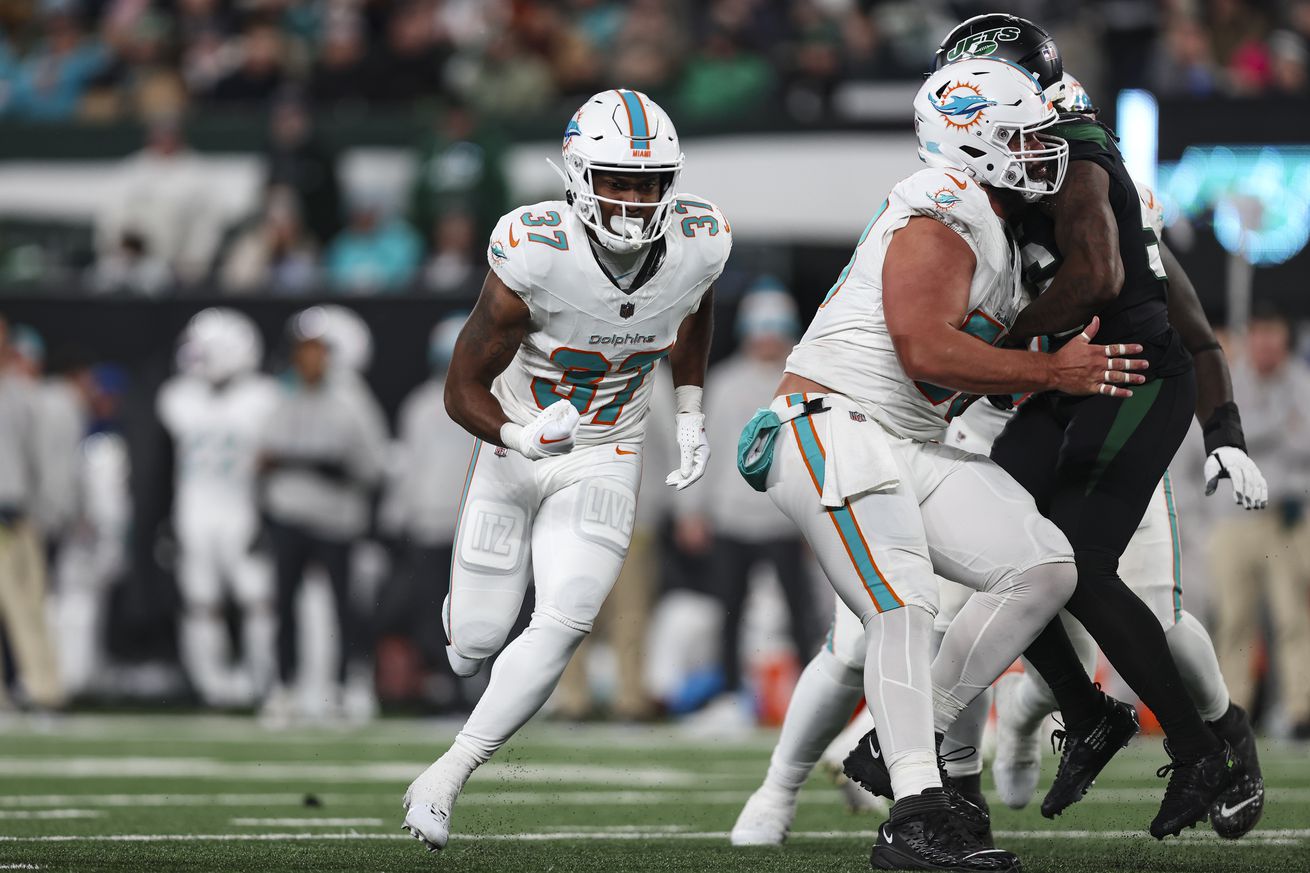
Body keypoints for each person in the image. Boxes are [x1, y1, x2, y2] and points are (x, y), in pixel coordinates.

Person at [733, 59, 1138, 872]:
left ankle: (900, 753)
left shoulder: (1003, 230)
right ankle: (915, 813)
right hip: (830, 420)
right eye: (1020, 138)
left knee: (1041, 567)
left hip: (907, 437)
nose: (1039, 152)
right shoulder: (943, 201)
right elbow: (923, 346)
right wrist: (1049, 371)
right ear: (968, 139)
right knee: (904, 605)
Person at [928, 16, 1247, 839]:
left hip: (1128, 377)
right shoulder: (1020, 163)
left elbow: (1120, 288)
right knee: (1008, 549)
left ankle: (1212, 743)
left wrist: (1227, 432)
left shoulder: (1072, 154)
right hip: (1065, 388)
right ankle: (1079, 711)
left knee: (1108, 582)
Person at [402, 88, 729, 853]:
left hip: (608, 451)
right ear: (579, 174)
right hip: (514, 451)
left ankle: (448, 772)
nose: (634, 199)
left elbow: (693, 311)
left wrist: (689, 412)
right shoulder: (533, 247)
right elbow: (460, 389)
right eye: (617, 179)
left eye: (649, 183)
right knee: (474, 643)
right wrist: (518, 433)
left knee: (568, 614)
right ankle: (471, 634)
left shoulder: (701, 240)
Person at [675, 280, 820, 728]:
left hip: (785, 518)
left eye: (776, 327)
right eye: (761, 327)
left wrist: (818, 518)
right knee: (730, 612)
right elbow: (704, 445)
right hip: (731, 517)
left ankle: (811, 700)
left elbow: (816, 451)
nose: (768, 337)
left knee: (802, 613)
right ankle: (731, 699)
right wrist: (691, 510)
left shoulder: (804, 381)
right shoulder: (723, 382)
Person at [258, 308, 388, 724]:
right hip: (289, 515)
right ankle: (283, 687)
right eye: (303, 351)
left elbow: (372, 468)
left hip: (336, 519)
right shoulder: (282, 398)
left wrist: (311, 464)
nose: (309, 359)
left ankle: (352, 685)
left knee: (345, 608)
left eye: (316, 351)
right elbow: (262, 458)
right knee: (283, 607)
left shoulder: (350, 403)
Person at [158, 309, 279, 707]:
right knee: (200, 602)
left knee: (257, 598)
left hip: (242, 511)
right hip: (193, 513)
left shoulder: (263, 397)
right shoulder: (178, 397)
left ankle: (263, 682)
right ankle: (212, 687)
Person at [1208, 306, 1310, 740]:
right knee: (1234, 620)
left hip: (1285, 518)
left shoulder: (1301, 382)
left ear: (1286, 338)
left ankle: (1301, 711)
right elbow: (1232, 440)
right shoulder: (1230, 379)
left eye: (1275, 333)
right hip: (1233, 518)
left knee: (1294, 618)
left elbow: (1304, 444)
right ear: (1250, 337)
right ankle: (1234, 710)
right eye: (1260, 333)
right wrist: (1278, 433)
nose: (1267, 342)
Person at [376, 313, 476, 708]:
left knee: (478, 611)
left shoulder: (490, 396)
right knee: (436, 613)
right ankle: (449, 686)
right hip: (435, 524)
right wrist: (396, 516)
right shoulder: (421, 404)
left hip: (470, 522)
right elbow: (409, 465)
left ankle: (474, 685)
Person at [0, 315, 64, 711]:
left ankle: (44, 690)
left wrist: (41, 509)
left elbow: (38, 459)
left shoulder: (20, 393)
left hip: (12, 511)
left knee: (27, 605)